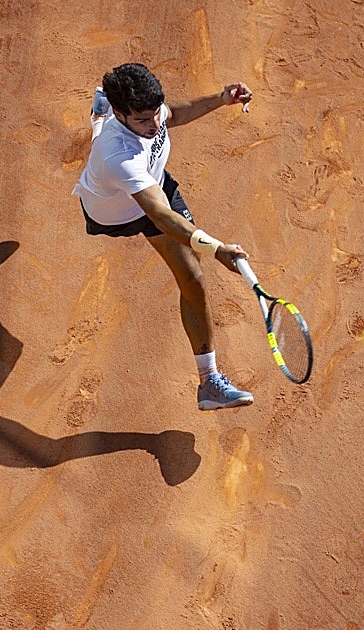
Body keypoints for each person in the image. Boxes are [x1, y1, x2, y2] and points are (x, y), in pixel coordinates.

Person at [72, 63, 256, 411]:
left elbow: (174, 114)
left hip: (151, 183)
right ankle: (99, 120)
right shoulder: (119, 157)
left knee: (192, 277)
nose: (154, 125)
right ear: (123, 113)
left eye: (155, 113)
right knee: (107, 148)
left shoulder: (150, 116)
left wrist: (221, 98)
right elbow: (160, 216)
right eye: (143, 120)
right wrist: (217, 249)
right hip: (118, 211)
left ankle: (209, 384)